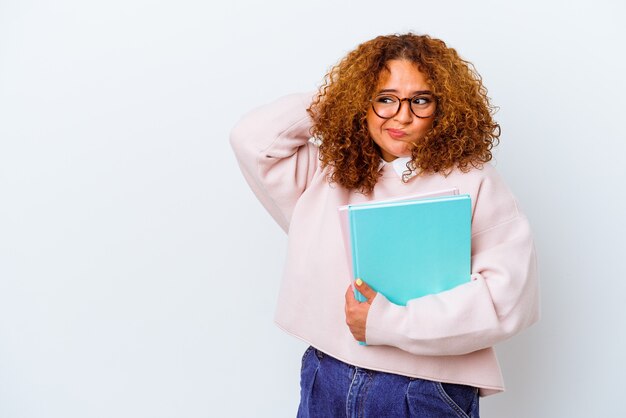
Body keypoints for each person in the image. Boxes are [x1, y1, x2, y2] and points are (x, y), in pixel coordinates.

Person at [230, 33, 539, 418]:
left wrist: (388, 322)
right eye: (385, 98)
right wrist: (341, 96)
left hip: (425, 388)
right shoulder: (327, 175)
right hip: (328, 375)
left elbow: (508, 301)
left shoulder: (474, 181)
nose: (402, 116)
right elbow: (253, 140)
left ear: (445, 108)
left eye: (420, 100)